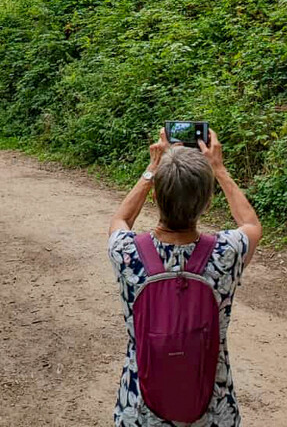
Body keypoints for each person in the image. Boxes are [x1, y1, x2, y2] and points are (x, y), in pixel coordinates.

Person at [108, 127, 262, 427]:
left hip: (140, 410)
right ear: (207, 202)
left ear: (155, 197)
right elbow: (251, 224)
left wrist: (153, 168)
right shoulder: (226, 253)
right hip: (213, 412)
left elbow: (120, 219)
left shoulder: (127, 253)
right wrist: (218, 168)